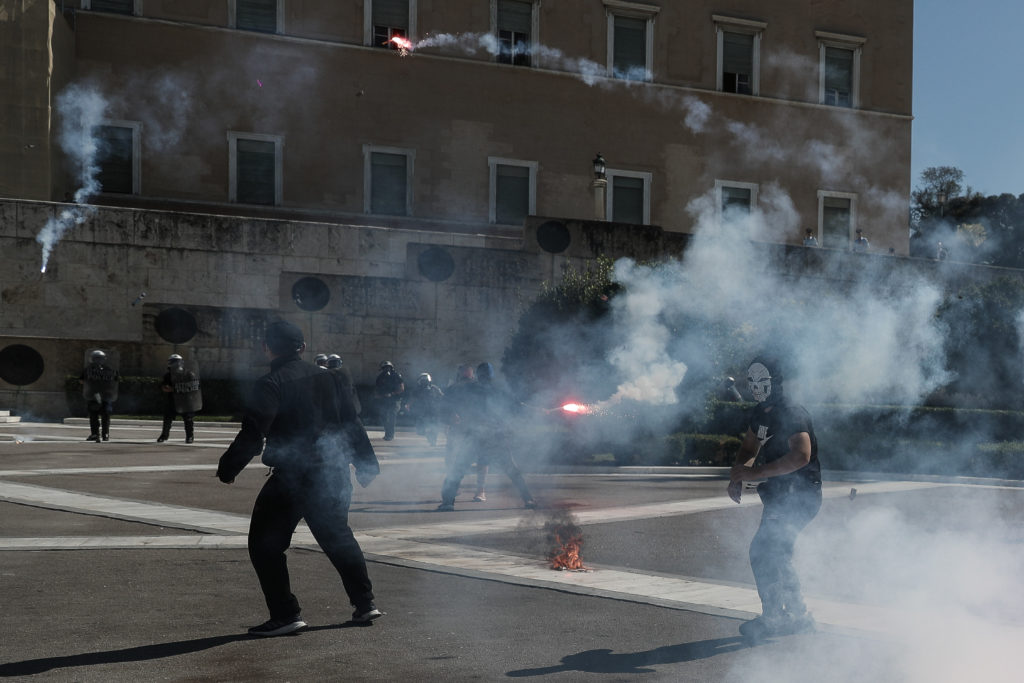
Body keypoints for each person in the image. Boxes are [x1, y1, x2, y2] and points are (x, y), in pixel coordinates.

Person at [216, 321, 382, 636]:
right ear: (303, 348)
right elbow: (352, 423)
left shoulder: (270, 382)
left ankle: (285, 614)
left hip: (295, 477)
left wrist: (229, 467)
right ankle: (365, 603)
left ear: (267, 347)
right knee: (338, 537)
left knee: (264, 546)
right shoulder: (333, 378)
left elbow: (254, 433)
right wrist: (366, 464)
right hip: (334, 472)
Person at [728, 356, 821, 642]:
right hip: (780, 497)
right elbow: (748, 446)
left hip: (798, 496)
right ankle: (797, 616)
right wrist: (738, 475)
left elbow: (801, 456)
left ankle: (776, 618)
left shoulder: (791, 412)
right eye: (752, 382)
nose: (756, 388)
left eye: (763, 382)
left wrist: (756, 472)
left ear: (776, 382)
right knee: (777, 555)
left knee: (764, 552)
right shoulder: (761, 413)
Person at [437, 362, 536, 511]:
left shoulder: (467, 390)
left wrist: (451, 416)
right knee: (512, 470)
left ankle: (448, 502)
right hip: (496, 436)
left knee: (457, 470)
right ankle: (528, 499)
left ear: (478, 375)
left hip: (475, 436)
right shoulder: (500, 391)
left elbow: (446, 402)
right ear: (492, 375)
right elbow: (517, 409)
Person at [157, 354, 202, 444]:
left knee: (188, 420)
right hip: (173, 400)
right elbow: (164, 387)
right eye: (172, 362)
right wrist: (168, 388)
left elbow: (194, 387)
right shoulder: (168, 376)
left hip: (186, 401)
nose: (174, 364)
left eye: (175, 362)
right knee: (167, 419)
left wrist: (179, 389)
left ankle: (190, 437)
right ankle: (164, 436)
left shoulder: (188, 374)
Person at [80, 349, 119, 442]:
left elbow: (81, 381)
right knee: (105, 415)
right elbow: (116, 380)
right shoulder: (110, 369)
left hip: (93, 394)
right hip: (106, 395)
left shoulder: (88, 369)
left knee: (94, 415)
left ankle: (95, 434)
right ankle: (105, 434)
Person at [404, 372, 444, 446]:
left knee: (435, 427)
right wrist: (408, 405)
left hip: (433, 411)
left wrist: (442, 406)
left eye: (426, 381)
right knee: (420, 430)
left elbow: (442, 397)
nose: (424, 383)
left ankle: (433, 441)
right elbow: (412, 398)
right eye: (423, 381)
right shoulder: (417, 390)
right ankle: (428, 435)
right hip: (422, 411)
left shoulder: (434, 388)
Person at [374, 361, 404, 441]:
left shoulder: (396, 376)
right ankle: (387, 432)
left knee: (391, 416)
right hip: (384, 400)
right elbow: (377, 389)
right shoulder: (380, 377)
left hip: (395, 400)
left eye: (388, 367)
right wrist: (378, 396)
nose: (387, 369)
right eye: (385, 368)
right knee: (384, 416)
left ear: (391, 368)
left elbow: (401, 388)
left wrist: (392, 394)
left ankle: (390, 435)